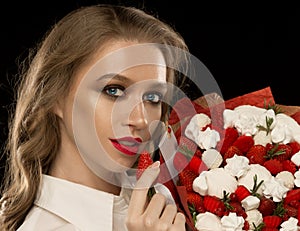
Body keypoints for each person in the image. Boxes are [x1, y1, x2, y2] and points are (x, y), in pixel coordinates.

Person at [0, 4, 192, 231]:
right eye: (114, 90)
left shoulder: (165, 204)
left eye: (152, 97)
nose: (141, 120)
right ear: (55, 97)